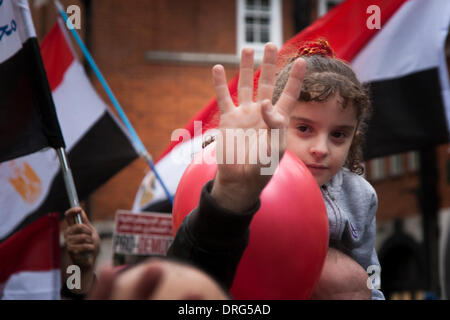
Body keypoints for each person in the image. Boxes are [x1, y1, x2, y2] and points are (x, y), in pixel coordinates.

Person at [169, 40, 384, 300]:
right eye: (304, 129)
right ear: (273, 122)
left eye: (338, 134)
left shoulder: (360, 195)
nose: (321, 148)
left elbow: (369, 277)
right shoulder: (236, 171)